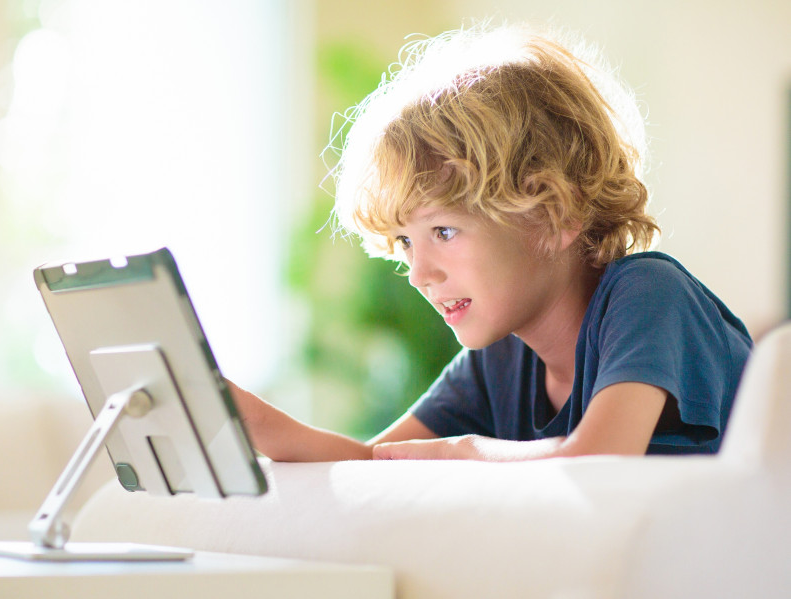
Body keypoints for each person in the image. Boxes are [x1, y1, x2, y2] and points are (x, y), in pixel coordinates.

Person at [228, 22, 752, 462]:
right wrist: (256, 423)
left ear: (554, 214)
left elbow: (598, 463)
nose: (419, 272)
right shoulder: (500, 357)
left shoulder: (649, 296)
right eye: (405, 242)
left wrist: (469, 453)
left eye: (444, 231)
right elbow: (380, 465)